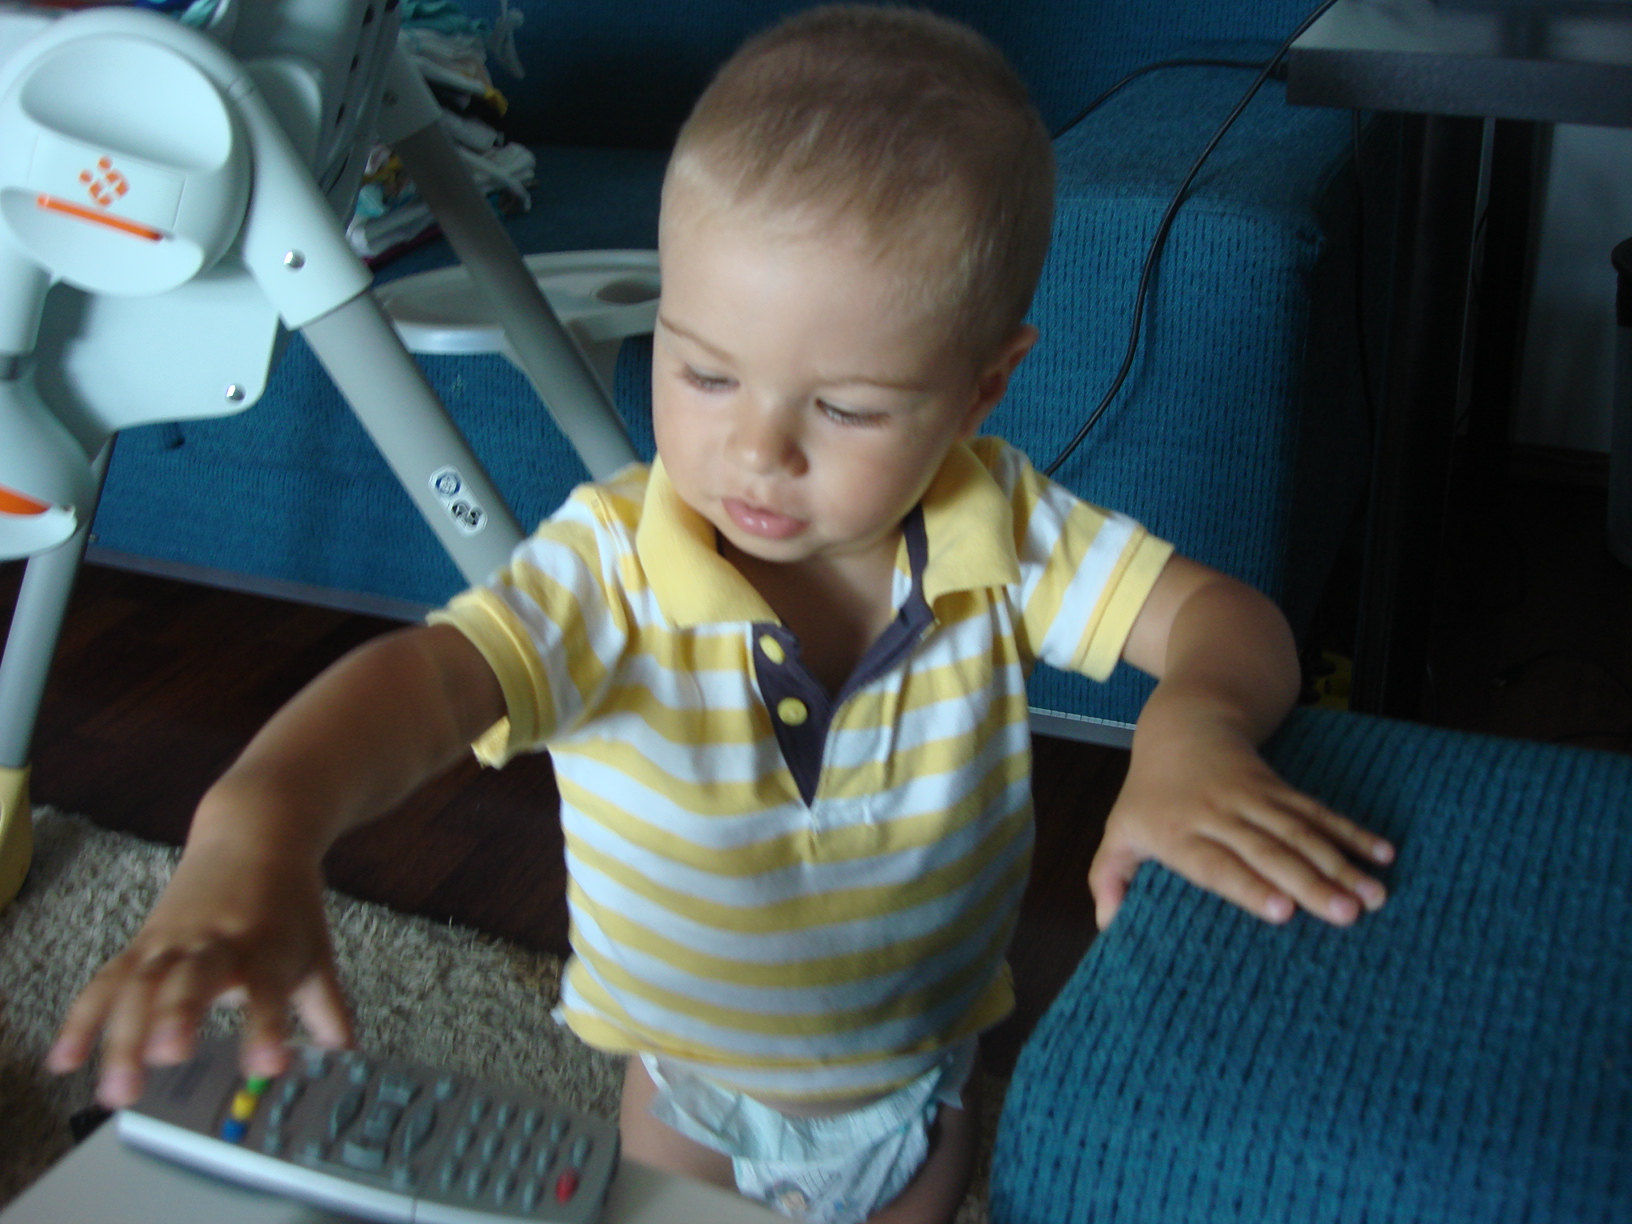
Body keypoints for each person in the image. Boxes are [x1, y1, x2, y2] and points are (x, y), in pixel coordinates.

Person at [48, 7, 1395, 1222]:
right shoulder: (612, 567)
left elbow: (1225, 622)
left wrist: (1192, 728)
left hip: (918, 1083)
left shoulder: (1007, 526)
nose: (757, 451)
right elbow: (429, 683)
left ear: (983, 388)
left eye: (846, 408)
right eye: (702, 372)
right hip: (683, 1094)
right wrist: (259, 819)